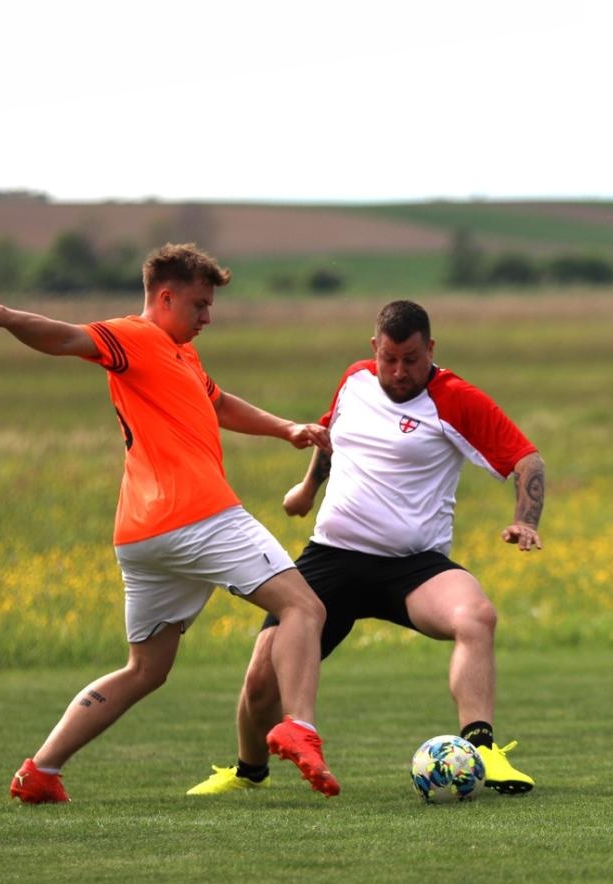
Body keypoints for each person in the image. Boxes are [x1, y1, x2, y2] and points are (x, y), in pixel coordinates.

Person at [0, 243, 341, 803]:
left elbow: (220, 403)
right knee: (304, 607)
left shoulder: (182, 355)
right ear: (165, 297)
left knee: (145, 670)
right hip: (199, 515)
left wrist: (286, 429)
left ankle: (41, 770)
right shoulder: (134, 337)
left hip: (143, 536)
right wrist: (3, 316)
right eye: (200, 305)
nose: (208, 317)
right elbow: (63, 338)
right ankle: (297, 724)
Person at [187, 300, 544, 797]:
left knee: (476, 617)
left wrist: (524, 521)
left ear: (431, 350)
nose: (399, 372)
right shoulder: (354, 379)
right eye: (390, 359)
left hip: (413, 567)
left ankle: (482, 750)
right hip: (331, 557)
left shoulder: (457, 399)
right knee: (262, 681)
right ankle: (248, 772)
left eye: (412, 360)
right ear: (374, 349)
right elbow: (331, 435)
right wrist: (307, 490)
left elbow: (528, 461)